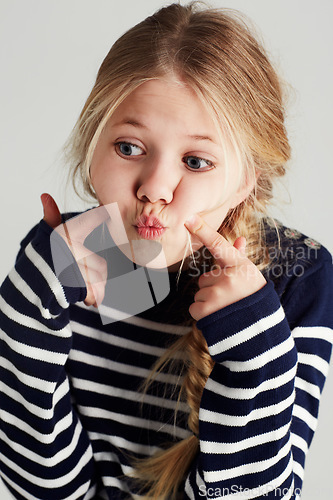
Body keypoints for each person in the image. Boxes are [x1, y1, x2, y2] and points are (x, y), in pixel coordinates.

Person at [0, 2, 332, 499]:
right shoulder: (66, 260)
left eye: (196, 161)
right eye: (129, 148)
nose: (155, 188)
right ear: (93, 148)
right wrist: (28, 315)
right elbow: (46, 490)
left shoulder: (296, 275)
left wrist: (251, 355)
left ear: (247, 179)